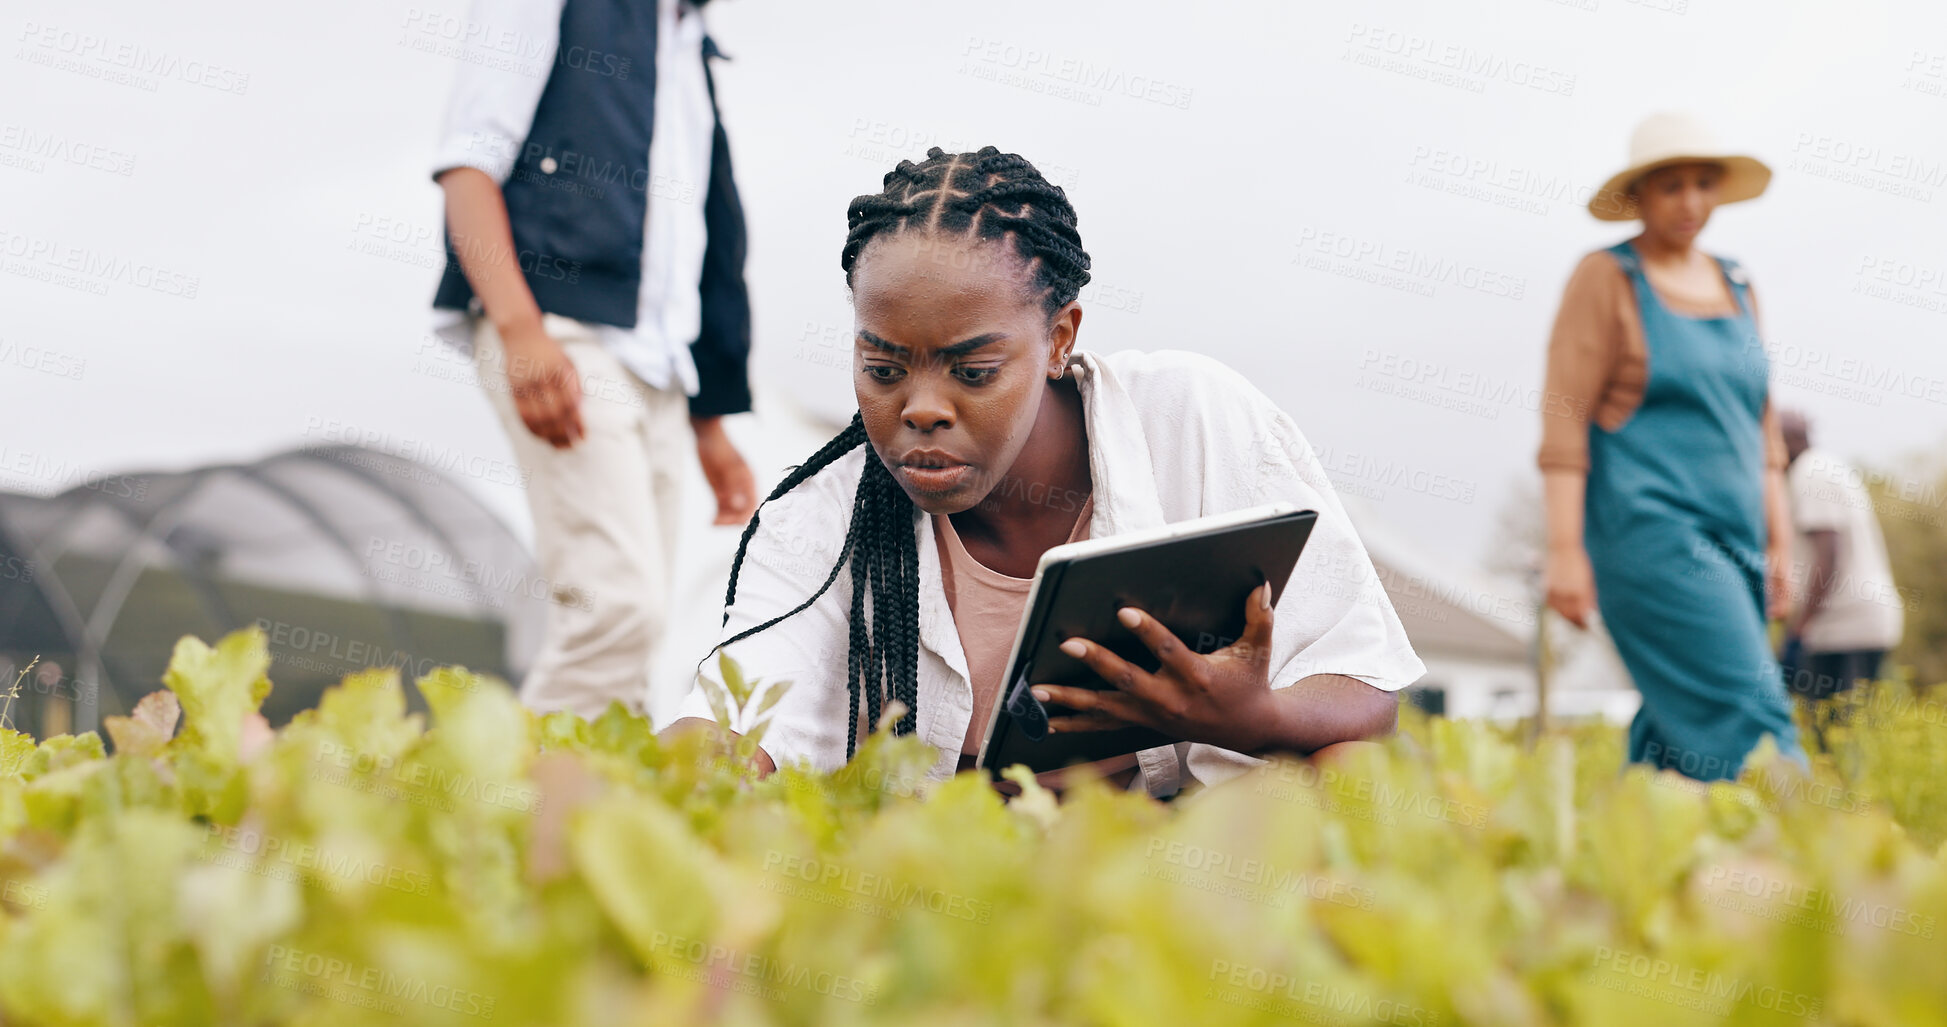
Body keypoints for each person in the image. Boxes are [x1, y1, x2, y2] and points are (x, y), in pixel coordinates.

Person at [665, 147, 1425, 797]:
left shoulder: (1194, 419)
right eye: (882, 367)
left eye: (973, 369)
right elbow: (741, 721)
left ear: (1059, 336)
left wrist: (1251, 719)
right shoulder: (819, 518)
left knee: (1354, 772)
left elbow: (1362, 691)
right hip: (960, 885)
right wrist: (692, 766)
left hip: (1193, 864)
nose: (920, 408)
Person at [428, 0, 759, 721]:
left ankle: (588, 820)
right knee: (616, 612)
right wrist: (520, 330)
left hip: (661, 368)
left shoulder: (693, 43)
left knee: (637, 640)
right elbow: (467, 165)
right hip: (558, 327)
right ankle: (501, 818)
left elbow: (705, 230)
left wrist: (709, 424)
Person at [1539, 112, 1804, 782]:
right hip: (1652, 537)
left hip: (1736, 534)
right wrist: (1565, 551)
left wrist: (1779, 542)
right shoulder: (1607, 277)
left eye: (1702, 184)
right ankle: (1810, 867)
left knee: (1676, 723)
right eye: (1669, 186)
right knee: (1749, 714)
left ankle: (1623, 863)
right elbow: (1564, 422)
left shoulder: (1737, 283)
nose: (1689, 202)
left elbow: (1761, 431)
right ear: (1639, 196)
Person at [1777, 409, 1902, 709]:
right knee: (1837, 734)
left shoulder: (1811, 472)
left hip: (1844, 628)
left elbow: (1828, 557)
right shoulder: (1824, 468)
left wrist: (1799, 629)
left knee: (1832, 737)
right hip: (1850, 624)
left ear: (1788, 439)